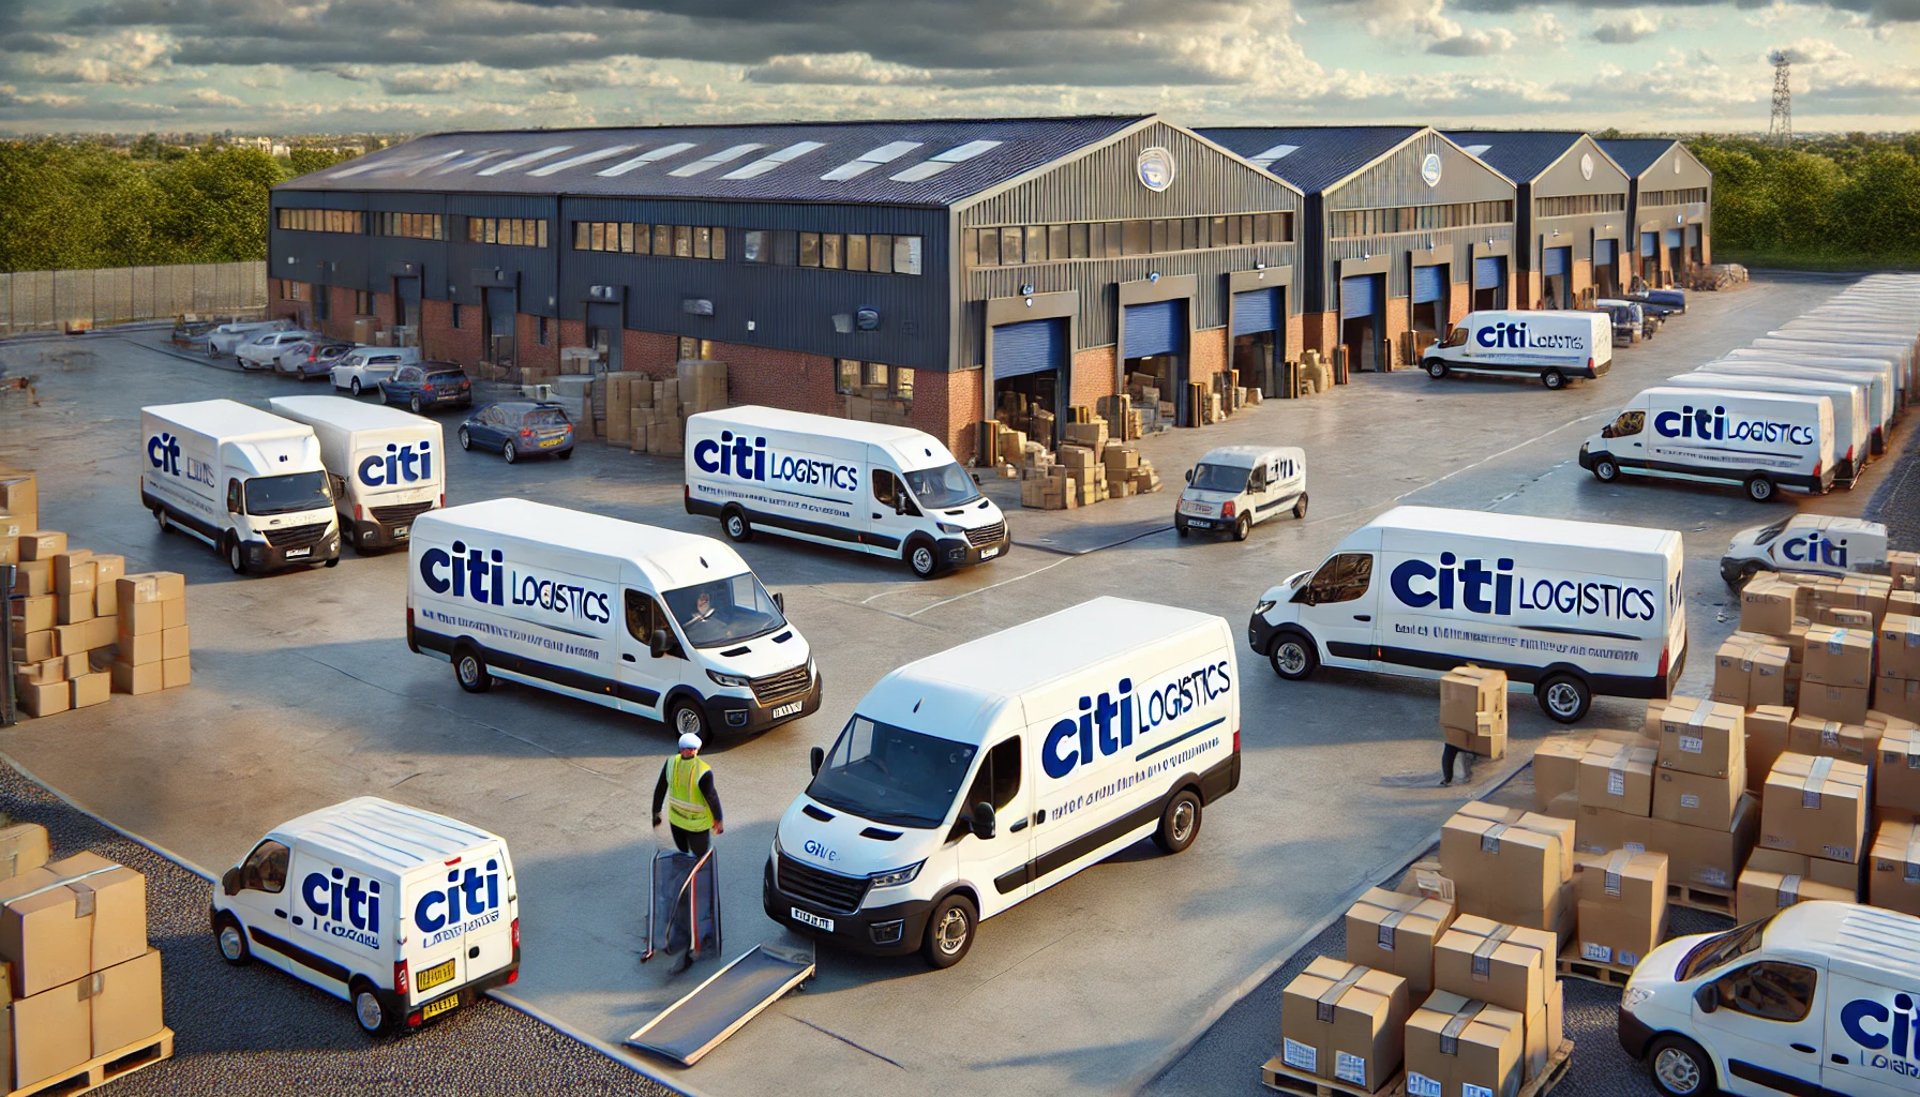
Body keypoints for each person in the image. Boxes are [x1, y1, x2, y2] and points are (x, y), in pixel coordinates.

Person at [653, 732, 724, 855]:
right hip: (697, 826)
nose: (695, 751)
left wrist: (656, 812)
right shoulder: (703, 770)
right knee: (700, 857)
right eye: (693, 749)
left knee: (683, 854)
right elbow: (711, 796)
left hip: (676, 821)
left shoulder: (670, 763)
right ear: (684, 750)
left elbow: (660, 789)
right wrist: (718, 819)